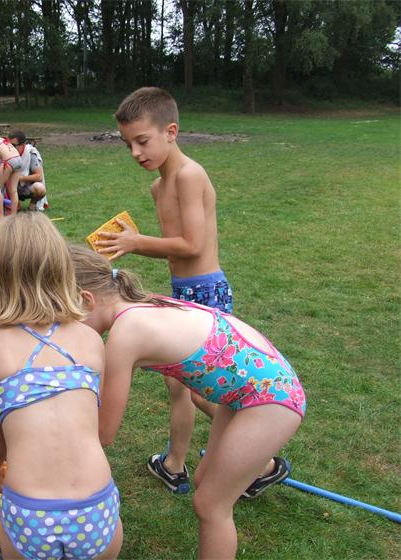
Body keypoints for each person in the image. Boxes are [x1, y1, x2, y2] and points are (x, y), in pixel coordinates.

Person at [69, 246, 305, 559]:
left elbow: (104, 432)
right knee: (204, 481)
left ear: (86, 300)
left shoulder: (127, 333)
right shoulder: (142, 305)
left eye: (66, 319)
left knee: (211, 505)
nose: (67, 329)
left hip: (269, 397)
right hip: (248, 391)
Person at [96, 86, 233, 494]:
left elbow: (193, 245)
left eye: (142, 141)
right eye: (128, 144)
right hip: (182, 291)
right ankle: (174, 463)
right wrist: (131, 243)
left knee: (202, 388)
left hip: (206, 293)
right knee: (178, 385)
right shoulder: (159, 186)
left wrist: (137, 242)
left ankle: (259, 459)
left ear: (171, 132)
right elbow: (176, 251)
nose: (135, 152)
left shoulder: (190, 176)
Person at [0, 213, 123, 560]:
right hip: (94, 506)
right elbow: (91, 424)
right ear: (61, 270)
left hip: (30, 512)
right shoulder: (89, 340)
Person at [0, 131, 48, 212]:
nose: (10, 147)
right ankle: (5, 202)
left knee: (40, 189)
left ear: (22, 145)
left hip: (25, 187)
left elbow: (39, 176)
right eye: (8, 144)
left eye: (13, 145)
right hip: (6, 187)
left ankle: (32, 206)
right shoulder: (6, 152)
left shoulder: (30, 153)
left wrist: (18, 178)